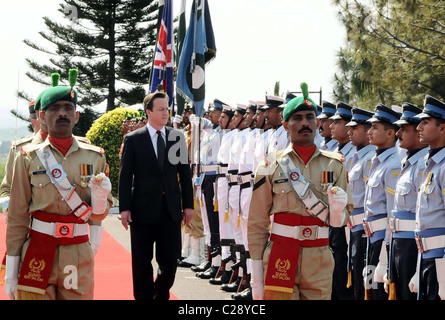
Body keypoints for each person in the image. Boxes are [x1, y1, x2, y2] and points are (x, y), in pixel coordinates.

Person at [5, 69, 112, 300]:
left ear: (76, 116)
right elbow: (17, 216)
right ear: (41, 116)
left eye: (68, 108)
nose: (62, 113)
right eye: (54, 109)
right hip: (37, 249)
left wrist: (101, 198)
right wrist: (11, 273)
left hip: (78, 252)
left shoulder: (95, 157)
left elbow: (99, 215)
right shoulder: (26, 157)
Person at [248, 83, 353, 300]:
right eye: (297, 118)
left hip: (320, 259)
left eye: (310, 117)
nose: (305, 122)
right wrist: (256, 277)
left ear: (317, 122)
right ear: (286, 125)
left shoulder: (335, 165)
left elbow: (342, 220)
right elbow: (257, 222)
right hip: (280, 254)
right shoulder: (270, 165)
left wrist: (337, 211)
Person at [119, 91, 194, 300]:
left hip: (170, 210)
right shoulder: (133, 140)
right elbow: (125, 177)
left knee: (170, 261)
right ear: (149, 112)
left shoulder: (177, 137)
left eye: (167, 109)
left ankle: (160, 293)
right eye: (160, 109)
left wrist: (188, 205)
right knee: (141, 262)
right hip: (142, 210)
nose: (165, 113)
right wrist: (124, 208)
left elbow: (184, 175)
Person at [386, 103, 428, 300]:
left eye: (404, 129)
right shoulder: (409, 163)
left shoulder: (422, 166)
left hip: (413, 244)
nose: (398, 133)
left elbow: (424, 215)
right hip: (398, 242)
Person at [363, 104, 401, 300]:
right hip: (369, 239)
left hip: (381, 243)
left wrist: (385, 258)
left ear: (390, 133)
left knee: (379, 293)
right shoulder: (378, 162)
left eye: (375, 128)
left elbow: (391, 212)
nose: (369, 132)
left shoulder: (393, 165)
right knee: (368, 289)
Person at [409, 95, 445, 300]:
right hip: (424, 256)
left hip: (440, 260)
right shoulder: (428, 164)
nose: (419, 127)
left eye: (425, 122)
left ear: (442, 128)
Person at [344, 107, 376, 300]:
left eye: (354, 128)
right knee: (356, 272)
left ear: (366, 129)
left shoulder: (371, 159)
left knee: (368, 279)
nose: (350, 132)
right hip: (353, 227)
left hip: (367, 230)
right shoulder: (357, 157)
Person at [329, 101, 356, 300]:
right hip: (331, 218)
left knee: (344, 267)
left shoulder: (354, 155)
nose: (331, 125)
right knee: (334, 266)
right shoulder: (333, 153)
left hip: (348, 221)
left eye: (336, 122)